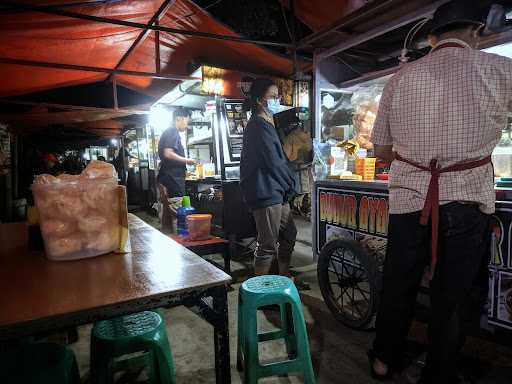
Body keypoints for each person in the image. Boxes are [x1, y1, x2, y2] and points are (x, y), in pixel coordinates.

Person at [369, 2, 512, 383]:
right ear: (477, 31)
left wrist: (416, 153)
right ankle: (438, 372)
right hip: (466, 201)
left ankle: (383, 361)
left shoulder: (400, 78)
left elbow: (380, 150)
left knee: (399, 283)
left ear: (432, 37)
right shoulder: (502, 70)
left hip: (409, 200)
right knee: (453, 296)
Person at [240, 78, 307, 288]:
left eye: (278, 96)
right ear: (260, 101)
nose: (277, 100)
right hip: (265, 191)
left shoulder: (269, 123)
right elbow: (273, 162)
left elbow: (283, 156)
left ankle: (283, 279)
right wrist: (292, 186)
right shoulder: (258, 126)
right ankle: (259, 290)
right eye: (272, 97)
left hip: (277, 190)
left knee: (289, 234)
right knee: (267, 244)